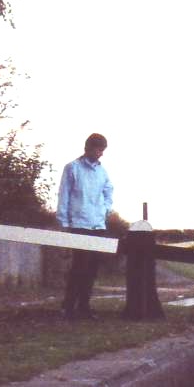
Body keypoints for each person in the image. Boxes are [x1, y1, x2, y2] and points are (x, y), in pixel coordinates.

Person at [56, 132, 114, 319]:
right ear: (88, 147)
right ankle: (69, 306)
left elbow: (108, 191)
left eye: (103, 150)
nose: (101, 154)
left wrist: (105, 209)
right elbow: (63, 195)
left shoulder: (102, 171)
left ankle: (84, 306)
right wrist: (64, 222)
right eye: (99, 149)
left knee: (92, 269)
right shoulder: (72, 168)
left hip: (98, 225)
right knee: (79, 267)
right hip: (79, 224)